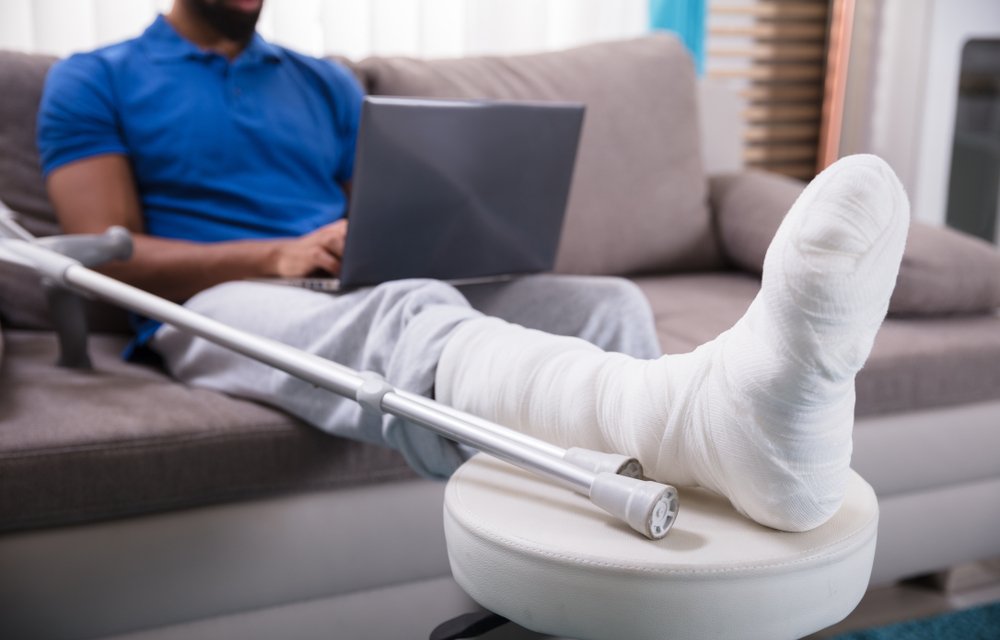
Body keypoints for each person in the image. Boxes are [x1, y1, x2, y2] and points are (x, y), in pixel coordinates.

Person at [38, 0, 910, 533]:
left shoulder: (319, 82)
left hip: (350, 278)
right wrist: (279, 252)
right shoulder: (96, 78)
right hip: (222, 301)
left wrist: (450, 230)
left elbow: (377, 208)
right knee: (407, 306)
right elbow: (119, 255)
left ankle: (677, 485)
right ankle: (699, 428)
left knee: (603, 305)